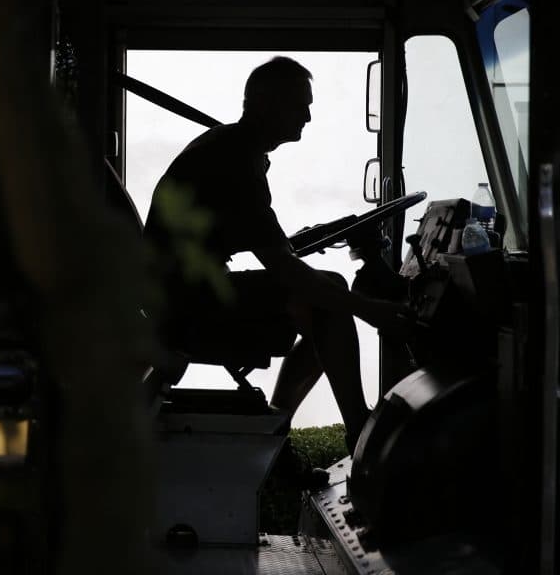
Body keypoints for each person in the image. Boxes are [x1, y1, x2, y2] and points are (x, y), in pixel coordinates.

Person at [143, 56, 411, 452]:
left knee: (322, 297)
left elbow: (260, 240)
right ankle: (359, 431)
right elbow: (284, 268)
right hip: (187, 307)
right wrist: (372, 310)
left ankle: (281, 424)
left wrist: (300, 244)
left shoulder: (230, 148)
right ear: (267, 103)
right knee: (327, 295)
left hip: (179, 296)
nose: (307, 116)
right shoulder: (236, 161)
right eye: (300, 105)